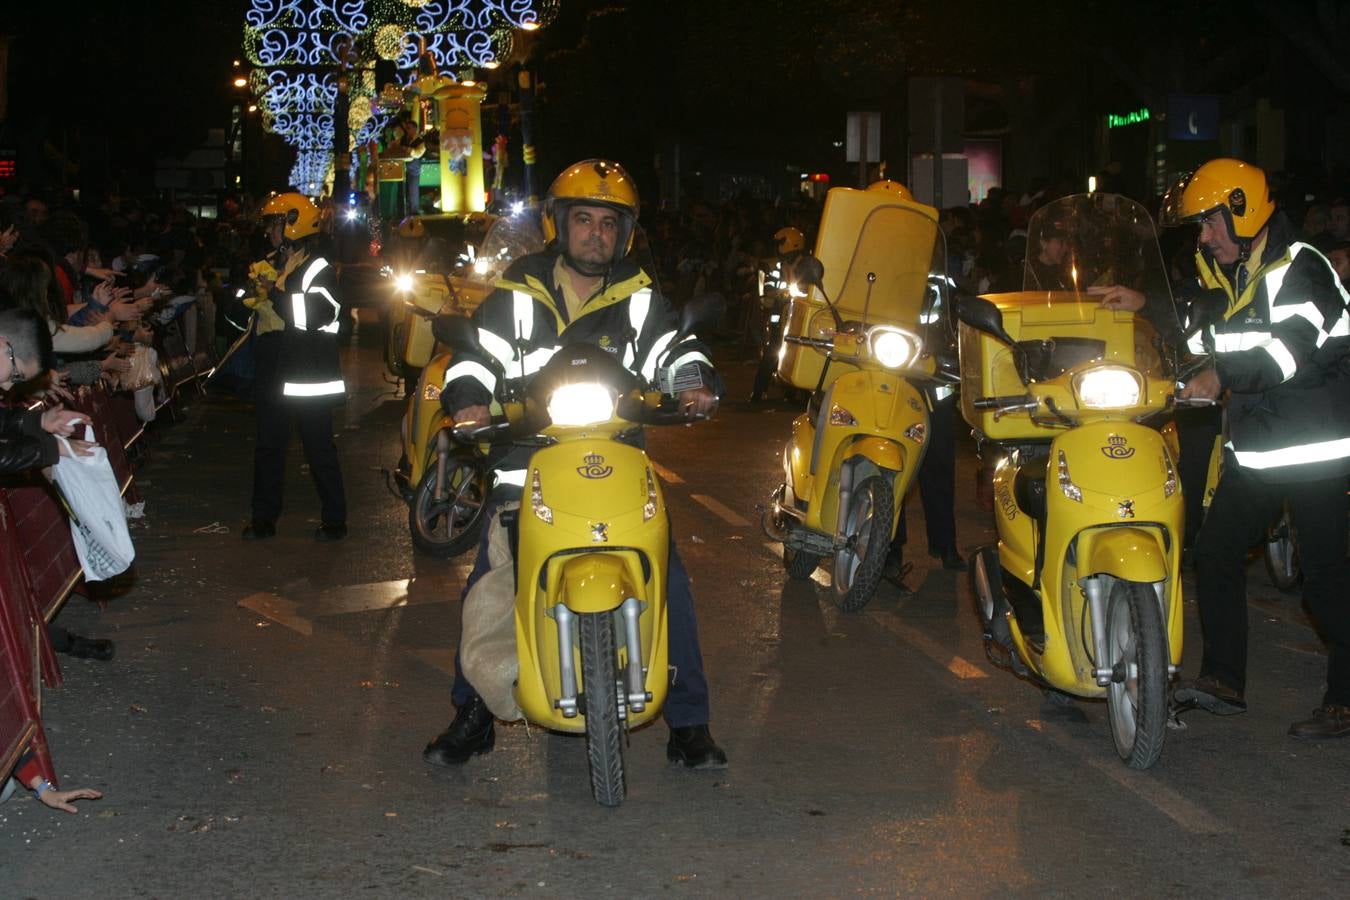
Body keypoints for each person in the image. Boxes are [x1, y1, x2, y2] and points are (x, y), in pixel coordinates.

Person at [422, 159, 728, 770]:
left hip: (613, 462)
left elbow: (674, 346)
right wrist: (469, 399)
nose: (596, 233)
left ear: (625, 232)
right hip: (525, 464)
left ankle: (689, 723)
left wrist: (692, 380)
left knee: (669, 580)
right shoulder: (516, 295)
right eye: (583, 219)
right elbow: (474, 357)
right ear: (557, 224)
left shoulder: (640, 300)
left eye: (608, 223)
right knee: (490, 584)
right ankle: (473, 713)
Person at [1155, 159, 1350, 739]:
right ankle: (1222, 681)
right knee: (1214, 553)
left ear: (1244, 210)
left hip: (1317, 450)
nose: (1205, 237)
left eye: (1211, 223)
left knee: (1326, 582)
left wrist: (1220, 377)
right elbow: (1202, 337)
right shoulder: (1229, 276)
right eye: (1199, 226)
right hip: (1260, 446)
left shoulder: (1302, 270)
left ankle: (1344, 700)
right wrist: (1143, 308)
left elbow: (1285, 357)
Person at [241, 192, 348, 542]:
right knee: (268, 447)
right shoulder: (273, 263)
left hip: (307, 372)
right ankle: (263, 519)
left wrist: (273, 294)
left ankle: (335, 520)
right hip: (274, 364)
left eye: (274, 224)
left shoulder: (318, 267)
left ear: (292, 225)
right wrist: (249, 297)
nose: (269, 231)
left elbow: (317, 314)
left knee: (318, 448)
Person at [749, 226, 806, 403]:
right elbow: (769, 289)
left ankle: (795, 393)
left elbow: (811, 289)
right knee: (772, 352)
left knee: (800, 354)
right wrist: (782, 292)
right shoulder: (777, 267)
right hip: (779, 316)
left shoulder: (807, 266)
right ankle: (758, 392)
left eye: (780, 244)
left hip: (799, 317)